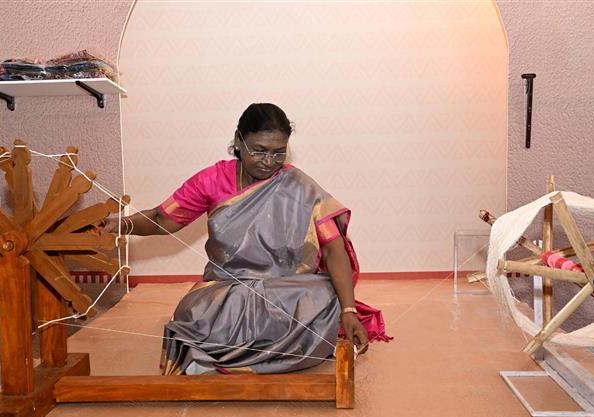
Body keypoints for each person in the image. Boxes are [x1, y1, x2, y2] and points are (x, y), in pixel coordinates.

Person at [105, 103, 387, 375]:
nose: (268, 162)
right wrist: (118, 225)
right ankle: (270, 350)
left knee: (325, 298)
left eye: (279, 153)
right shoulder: (212, 180)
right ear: (239, 141)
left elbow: (334, 248)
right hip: (230, 288)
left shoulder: (299, 185)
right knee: (194, 314)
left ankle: (228, 354)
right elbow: (160, 218)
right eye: (259, 151)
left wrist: (348, 309)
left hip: (287, 288)